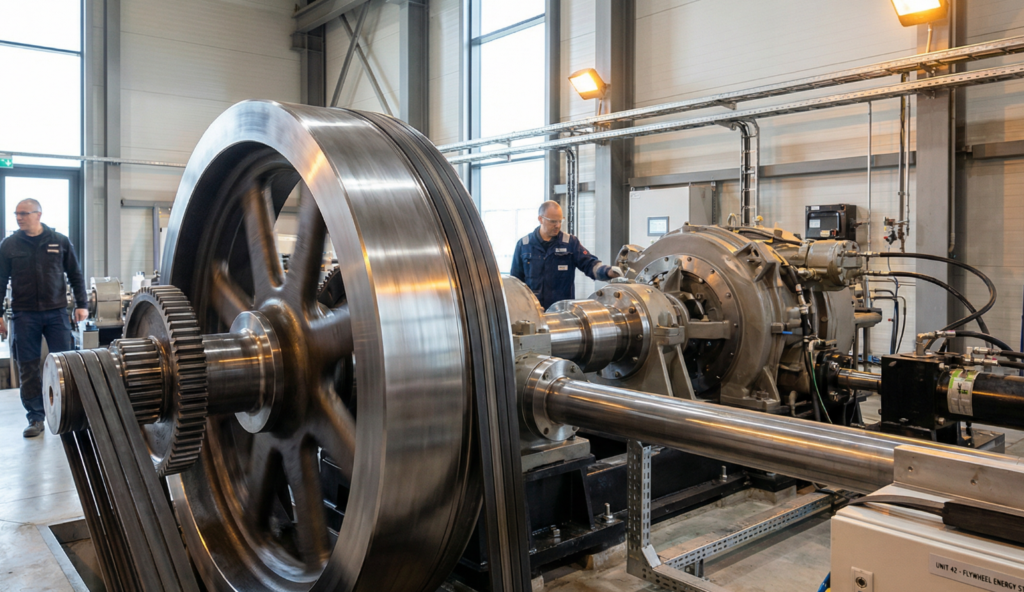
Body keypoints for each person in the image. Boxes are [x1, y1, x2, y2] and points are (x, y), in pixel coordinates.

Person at [0, 199, 88, 438]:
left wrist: (82, 304)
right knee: (28, 366)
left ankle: (68, 412)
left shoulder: (59, 241)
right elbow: (0, 281)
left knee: (65, 363)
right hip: (24, 314)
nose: (19, 218)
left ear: (38, 214)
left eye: (24, 213)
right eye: (16, 214)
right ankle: (36, 417)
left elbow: (76, 274)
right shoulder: (9, 245)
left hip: (56, 312)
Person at [510, 200, 622, 310]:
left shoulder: (570, 243)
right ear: (540, 219)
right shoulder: (524, 245)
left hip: (562, 313)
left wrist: (608, 271)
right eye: (553, 221)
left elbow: (589, 264)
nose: (558, 225)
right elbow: (515, 282)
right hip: (533, 311)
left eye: (560, 221)